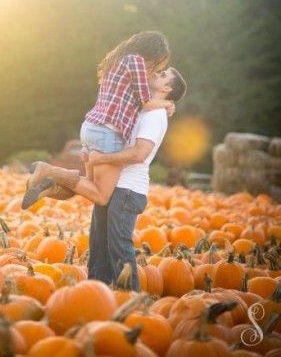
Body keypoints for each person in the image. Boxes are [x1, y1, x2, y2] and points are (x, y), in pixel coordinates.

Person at [22, 67, 187, 291]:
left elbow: (139, 154)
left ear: (167, 88)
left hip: (127, 190)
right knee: (98, 248)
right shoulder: (145, 107)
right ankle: (95, 295)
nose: (157, 73)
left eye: (164, 74)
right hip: (113, 181)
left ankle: (130, 302)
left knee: (120, 249)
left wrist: (102, 158)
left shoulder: (155, 117)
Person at [22, 30, 171, 209]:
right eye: (157, 63)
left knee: (87, 185)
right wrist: (167, 104)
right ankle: (48, 170)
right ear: (153, 53)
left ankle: (46, 187)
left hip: (91, 128)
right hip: (107, 133)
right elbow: (145, 102)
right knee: (101, 196)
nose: (154, 69)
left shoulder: (117, 60)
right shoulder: (136, 61)